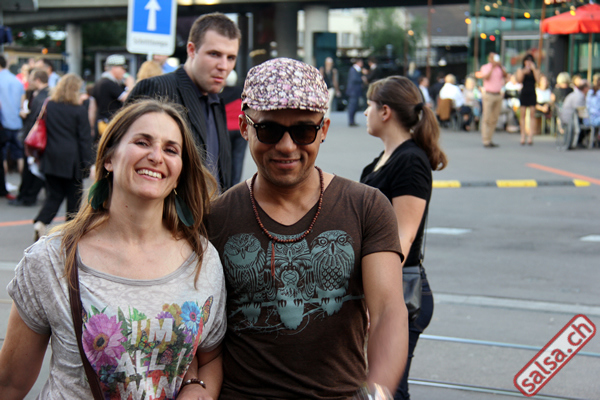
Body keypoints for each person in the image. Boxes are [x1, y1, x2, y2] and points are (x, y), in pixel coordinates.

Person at [201, 58, 408, 399]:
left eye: (303, 131)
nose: (286, 146)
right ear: (244, 126)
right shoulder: (216, 217)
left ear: (323, 130)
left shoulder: (366, 207)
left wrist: (380, 390)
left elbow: (388, 309)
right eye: (269, 130)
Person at [0, 99, 226, 399]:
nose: (156, 156)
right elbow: (10, 384)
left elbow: (210, 356)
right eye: (142, 142)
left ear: (180, 172)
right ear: (109, 158)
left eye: (171, 150)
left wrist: (199, 388)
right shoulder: (52, 259)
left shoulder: (202, 259)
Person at [360, 76, 447, 400]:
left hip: (400, 292)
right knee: (377, 388)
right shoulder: (380, 161)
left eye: (369, 105)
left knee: (387, 391)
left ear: (385, 111)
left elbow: (402, 237)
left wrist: (378, 299)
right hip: (384, 288)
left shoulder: (411, 161)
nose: (365, 112)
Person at [129, 13, 241, 191]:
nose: (224, 66)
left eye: (231, 58)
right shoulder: (158, 88)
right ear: (191, 50)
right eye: (214, 54)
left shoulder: (216, 103)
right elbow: (128, 163)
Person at [31, 74, 93, 240]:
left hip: (50, 157)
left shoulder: (50, 105)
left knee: (54, 195)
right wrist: (88, 163)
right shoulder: (79, 110)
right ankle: (70, 232)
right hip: (72, 160)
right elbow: (84, 139)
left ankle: (41, 222)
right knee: (74, 199)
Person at [9, 69, 49, 207]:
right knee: (32, 168)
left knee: (31, 168)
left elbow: (36, 119)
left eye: (31, 79)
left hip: (35, 137)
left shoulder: (42, 96)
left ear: (37, 80)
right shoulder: (41, 94)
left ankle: (27, 196)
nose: (28, 81)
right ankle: (26, 195)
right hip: (37, 136)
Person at [92, 54, 135, 140]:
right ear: (114, 68)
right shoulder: (108, 83)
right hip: (109, 124)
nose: (124, 71)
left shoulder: (100, 82)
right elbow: (128, 99)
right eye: (122, 68)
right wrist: (130, 85)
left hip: (102, 123)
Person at [0, 54, 25, 199]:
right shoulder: (16, 80)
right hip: (17, 123)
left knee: (2, 157)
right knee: (19, 155)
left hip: (3, 124)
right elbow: (22, 103)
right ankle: (23, 188)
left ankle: (4, 187)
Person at [219, 70, 245, 185]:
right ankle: (236, 183)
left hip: (226, 130)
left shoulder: (220, 95)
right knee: (238, 157)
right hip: (240, 129)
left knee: (225, 157)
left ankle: (225, 182)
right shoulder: (241, 93)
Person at [475, 52, 507, 147]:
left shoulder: (500, 68)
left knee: (494, 118)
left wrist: (499, 66)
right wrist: (492, 67)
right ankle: (485, 139)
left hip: (498, 94)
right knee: (487, 117)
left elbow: (506, 75)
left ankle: (490, 138)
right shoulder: (485, 67)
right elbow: (486, 77)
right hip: (489, 94)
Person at [516, 54, 540, 145]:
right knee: (522, 115)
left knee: (532, 114)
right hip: (524, 92)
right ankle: (523, 135)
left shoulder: (535, 70)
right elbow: (519, 80)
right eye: (527, 60)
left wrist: (534, 70)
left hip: (532, 92)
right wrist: (524, 72)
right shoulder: (521, 70)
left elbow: (538, 80)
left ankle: (530, 136)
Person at [346, 58, 365, 127]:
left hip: (355, 91)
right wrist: (362, 79)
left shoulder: (355, 70)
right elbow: (354, 79)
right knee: (352, 106)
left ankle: (352, 121)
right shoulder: (353, 70)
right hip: (353, 91)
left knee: (354, 106)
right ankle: (351, 121)